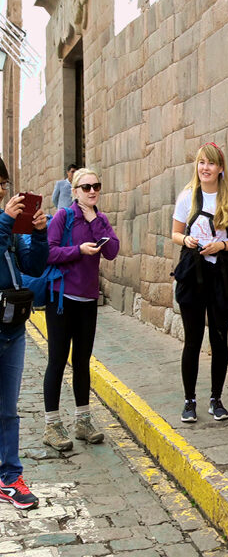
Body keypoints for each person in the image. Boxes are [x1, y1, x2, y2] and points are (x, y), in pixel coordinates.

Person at [42, 168, 119, 451]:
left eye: (95, 186)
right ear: (74, 191)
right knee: (58, 360)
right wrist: (78, 250)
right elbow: (47, 253)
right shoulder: (63, 217)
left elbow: (112, 251)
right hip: (61, 299)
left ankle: (83, 422)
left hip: (88, 301)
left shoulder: (100, 219)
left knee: (83, 361)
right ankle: (52, 425)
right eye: (85, 187)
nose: (91, 191)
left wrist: (94, 221)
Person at [171, 142, 228, 422]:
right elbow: (175, 233)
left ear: (220, 168)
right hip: (193, 275)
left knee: (219, 338)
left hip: (219, 278)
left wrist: (221, 247)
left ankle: (216, 399)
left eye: (211, 163)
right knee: (192, 340)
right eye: (202, 162)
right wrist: (186, 239)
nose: (205, 168)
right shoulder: (188, 196)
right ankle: (189, 401)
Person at [0, 158, 48, 509]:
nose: (2, 190)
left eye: (3, 183)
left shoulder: (9, 225)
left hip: (13, 326)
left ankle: (9, 477)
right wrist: (4, 221)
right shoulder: (3, 222)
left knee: (8, 409)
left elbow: (32, 266)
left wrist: (38, 233)